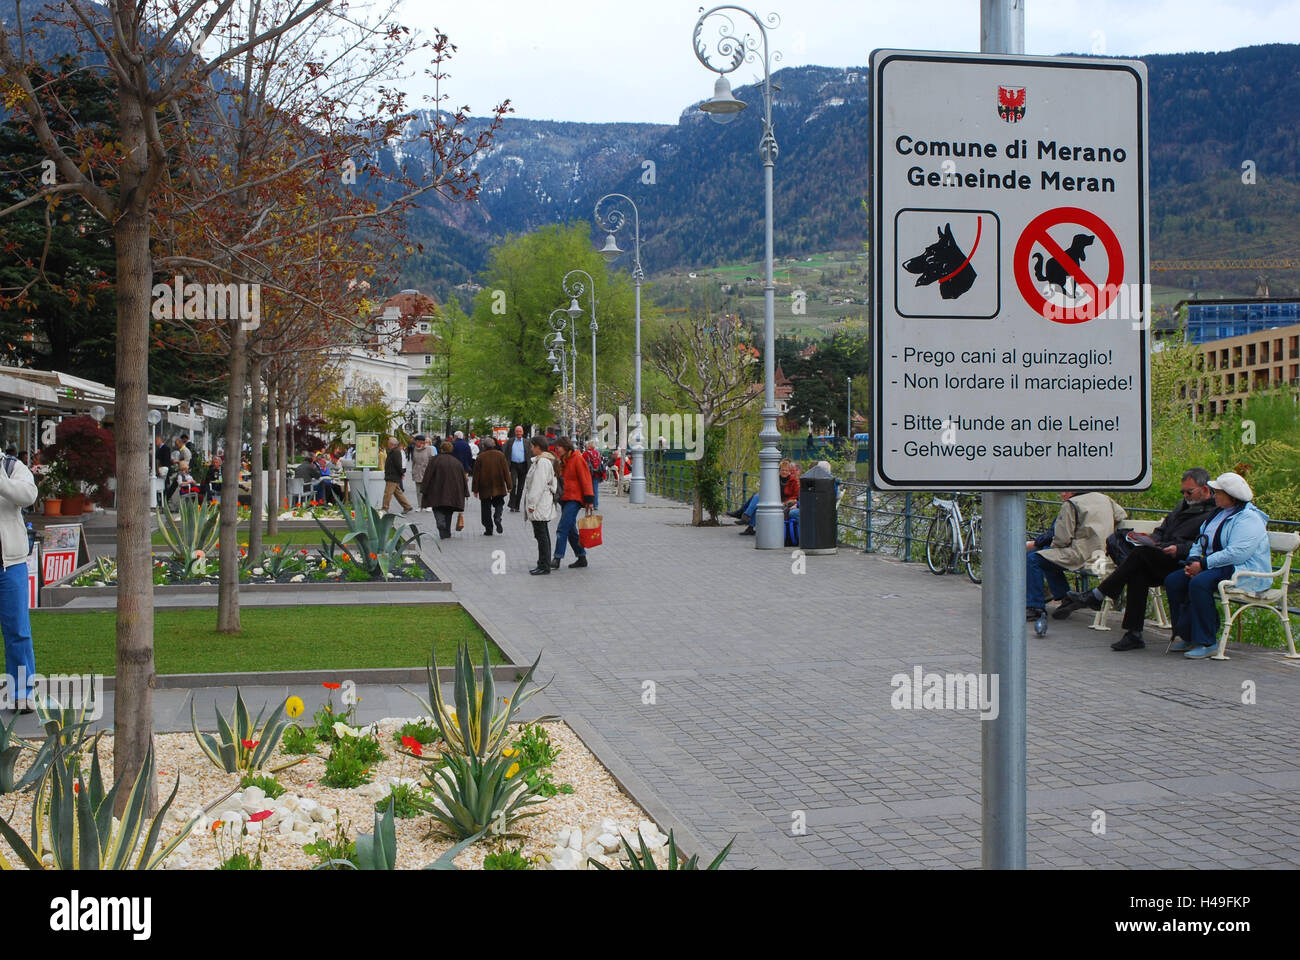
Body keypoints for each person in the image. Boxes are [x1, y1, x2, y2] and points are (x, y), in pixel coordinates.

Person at [1054, 468, 1217, 650]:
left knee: (1139, 557)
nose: (1185, 496)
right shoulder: (1183, 506)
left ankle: (1097, 595)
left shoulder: (1213, 513)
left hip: (1183, 561)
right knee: (1137, 571)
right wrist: (1153, 539)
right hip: (1163, 554)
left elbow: (1206, 544)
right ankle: (1134, 634)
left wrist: (1178, 549)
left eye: (1189, 492)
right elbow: (1163, 530)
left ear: (1204, 489)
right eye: (1183, 492)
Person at [1163, 472, 1273, 660]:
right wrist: (1193, 561)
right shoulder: (1218, 513)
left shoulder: (1249, 519)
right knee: (1173, 581)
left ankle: (1207, 641)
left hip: (1243, 569)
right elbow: (1200, 541)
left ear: (1231, 496)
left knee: (1200, 583)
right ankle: (1187, 635)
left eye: (1218, 492)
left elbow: (1238, 553)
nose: (1214, 495)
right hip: (1216, 565)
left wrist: (1203, 564)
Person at [1026, 490, 1127, 623]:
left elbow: (1062, 538)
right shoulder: (1105, 498)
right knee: (1046, 555)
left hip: (1082, 555)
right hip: (1106, 553)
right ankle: (1066, 597)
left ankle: (1036, 607)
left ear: (1074, 491)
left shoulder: (1072, 504)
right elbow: (1121, 516)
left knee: (1034, 559)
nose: (1062, 494)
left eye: (1065, 490)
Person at [0, 450, 38, 712]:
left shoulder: (11, 466)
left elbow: (28, 496)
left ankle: (22, 693)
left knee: (18, 631)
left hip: (9, 564)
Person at [551, 436, 594, 568]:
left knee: (562, 528)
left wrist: (589, 499)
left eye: (558, 447)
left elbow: (585, 479)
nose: (556, 449)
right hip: (564, 498)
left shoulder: (577, 458)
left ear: (565, 446)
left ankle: (557, 558)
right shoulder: (563, 460)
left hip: (574, 498)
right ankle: (581, 557)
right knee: (570, 530)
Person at [522, 436, 559, 575]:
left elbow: (538, 484)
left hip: (540, 503)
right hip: (542, 502)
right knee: (542, 534)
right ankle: (543, 563)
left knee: (541, 534)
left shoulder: (542, 462)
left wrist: (532, 503)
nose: (531, 449)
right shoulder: (542, 461)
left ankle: (544, 564)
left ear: (538, 447)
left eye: (532, 446)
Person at [734, 460, 801, 536]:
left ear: (789, 471)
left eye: (786, 470)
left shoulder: (793, 481)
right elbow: (768, 490)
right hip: (774, 500)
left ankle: (747, 521)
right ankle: (746, 517)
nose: (784, 472)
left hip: (786, 503)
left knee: (758, 500)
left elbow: (795, 496)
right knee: (758, 497)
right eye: (782, 470)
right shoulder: (774, 478)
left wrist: (784, 502)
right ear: (779, 470)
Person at [422, 440, 469, 539]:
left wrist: (424, 488)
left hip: (436, 490)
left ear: (441, 449)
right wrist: (465, 492)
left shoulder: (435, 460)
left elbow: (428, 475)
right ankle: (446, 532)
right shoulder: (457, 462)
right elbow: (462, 478)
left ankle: (440, 522)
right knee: (449, 511)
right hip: (453, 492)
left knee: (437, 507)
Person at [471, 437, 512, 536]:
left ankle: (488, 529)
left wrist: (475, 489)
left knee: (485, 507)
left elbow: (476, 475)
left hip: (484, 486)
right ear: (494, 445)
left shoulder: (480, 457)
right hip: (498, 484)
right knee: (499, 503)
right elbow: (506, 471)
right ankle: (497, 517)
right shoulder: (500, 455)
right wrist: (509, 485)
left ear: (484, 446)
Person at [381, 436, 412, 514]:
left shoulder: (396, 452)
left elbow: (398, 464)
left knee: (387, 493)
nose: (387, 444)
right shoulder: (393, 451)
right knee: (397, 493)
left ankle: (385, 508)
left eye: (388, 443)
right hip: (392, 475)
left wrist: (401, 473)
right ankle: (407, 506)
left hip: (393, 476)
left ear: (391, 444)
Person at [504, 425, 530, 512]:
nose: (518, 433)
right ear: (515, 432)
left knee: (521, 487)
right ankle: (512, 504)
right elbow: (504, 452)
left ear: (522, 432)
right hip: (513, 465)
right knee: (513, 485)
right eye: (517, 431)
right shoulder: (510, 442)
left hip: (523, 465)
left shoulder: (527, 442)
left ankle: (517, 506)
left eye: (520, 431)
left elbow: (530, 454)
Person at [410, 435, 432, 511]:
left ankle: (429, 505)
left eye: (416, 441)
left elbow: (432, 461)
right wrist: (413, 471)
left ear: (420, 442)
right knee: (418, 490)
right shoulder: (414, 449)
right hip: (417, 471)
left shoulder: (429, 449)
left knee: (427, 489)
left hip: (426, 472)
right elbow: (413, 462)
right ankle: (420, 506)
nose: (415, 443)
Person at [582, 440, 605, 509]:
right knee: (595, 490)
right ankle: (596, 505)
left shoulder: (585, 454)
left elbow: (582, 464)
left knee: (588, 489)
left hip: (588, 474)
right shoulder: (598, 453)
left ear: (588, 445)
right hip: (597, 473)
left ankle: (588, 503)